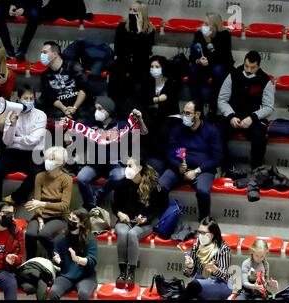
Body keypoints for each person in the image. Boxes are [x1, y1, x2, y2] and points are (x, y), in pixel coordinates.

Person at [76, 96, 148, 211]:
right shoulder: (91, 123)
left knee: (120, 175)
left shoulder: (120, 125)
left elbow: (142, 132)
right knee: (81, 178)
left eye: (100, 109)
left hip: (114, 164)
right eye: (96, 108)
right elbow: (79, 134)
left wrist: (139, 120)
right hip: (95, 164)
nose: (96, 112)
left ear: (108, 111)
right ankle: (90, 205)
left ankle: (98, 194)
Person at [158, 101, 222, 222]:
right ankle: (164, 220)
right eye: (183, 113)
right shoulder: (178, 130)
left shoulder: (211, 130)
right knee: (160, 185)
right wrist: (178, 166)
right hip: (180, 168)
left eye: (188, 113)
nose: (184, 116)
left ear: (197, 115)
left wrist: (196, 171)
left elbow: (217, 158)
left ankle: (204, 223)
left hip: (202, 169)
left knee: (203, 191)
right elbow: (170, 152)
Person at [0, 84, 46, 213]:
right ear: (19, 99)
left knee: (39, 173)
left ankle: (15, 198)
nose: (29, 101)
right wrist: (12, 125)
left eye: (32, 98)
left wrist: (17, 140)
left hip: (33, 153)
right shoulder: (11, 114)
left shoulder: (41, 115)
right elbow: (6, 141)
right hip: (12, 153)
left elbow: (34, 140)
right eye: (26, 98)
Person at [217, 50, 275, 174]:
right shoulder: (233, 74)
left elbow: (268, 107)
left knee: (260, 137)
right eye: (246, 66)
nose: (248, 70)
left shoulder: (265, 80)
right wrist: (231, 116)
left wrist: (252, 118)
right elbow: (222, 99)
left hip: (253, 119)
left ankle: (256, 170)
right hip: (233, 116)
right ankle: (226, 167)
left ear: (258, 66)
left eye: (252, 67)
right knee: (217, 132)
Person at [113, 158, 165, 290]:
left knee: (132, 234)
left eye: (130, 165)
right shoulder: (121, 184)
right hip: (125, 220)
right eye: (126, 165)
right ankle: (122, 272)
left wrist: (146, 218)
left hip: (144, 223)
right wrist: (119, 214)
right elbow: (115, 205)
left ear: (140, 168)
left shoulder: (152, 186)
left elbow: (157, 209)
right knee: (123, 232)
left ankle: (131, 273)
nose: (127, 168)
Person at [24, 146, 73, 260]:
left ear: (62, 164)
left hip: (59, 217)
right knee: (30, 234)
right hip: (40, 215)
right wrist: (40, 219)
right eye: (48, 158)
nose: (48, 162)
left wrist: (42, 204)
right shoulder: (40, 176)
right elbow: (36, 201)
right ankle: (29, 262)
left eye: (53, 159)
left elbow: (64, 206)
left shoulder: (66, 179)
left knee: (43, 235)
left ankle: (60, 258)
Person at [136, 55, 182, 175]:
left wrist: (153, 102)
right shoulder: (147, 81)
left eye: (157, 66)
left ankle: (161, 160)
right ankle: (145, 159)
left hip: (170, 116)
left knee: (163, 128)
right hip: (153, 115)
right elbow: (143, 100)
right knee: (143, 123)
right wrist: (158, 99)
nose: (153, 69)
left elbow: (169, 104)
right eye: (152, 66)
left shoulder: (172, 82)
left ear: (163, 68)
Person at [108, 0, 155, 112]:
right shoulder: (122, 27)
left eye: (135, 11)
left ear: (142, 13)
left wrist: (139, 31)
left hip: (139, 67)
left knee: (136, 89)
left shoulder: (150, 30)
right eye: (130, 9)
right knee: (117, 83)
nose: (131, 12)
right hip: (122, 65)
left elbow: (144, 53)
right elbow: (119, 49)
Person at [189, 13, 234, 116]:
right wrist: (198, 61)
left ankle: (212, 108)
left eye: (206, 24)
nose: (203, 26)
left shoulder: (225, 35)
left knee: (217, 70)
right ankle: (197, 107)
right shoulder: (198, 34)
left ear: (215, 26)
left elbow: (223, 58)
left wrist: (209, 43)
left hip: (219, 65)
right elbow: (192, 56)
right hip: (203, 65)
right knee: (192, 69)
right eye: (203, 23)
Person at [49, 208, 98, 300]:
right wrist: (58, 261)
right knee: (53, 292)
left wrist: (77, 259)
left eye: (74, 220)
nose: (70, 221)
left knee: (83, 294)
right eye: (70, 217)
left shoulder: (90, 239)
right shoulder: (61, 238)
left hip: (86, 277)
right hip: (66, 275)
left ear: (82, 223)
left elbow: (92, 261)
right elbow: (60, 262)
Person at [39, 41, 93, 124]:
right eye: (41, 53)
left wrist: (74, 108)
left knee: (82, 119)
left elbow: (84, 88)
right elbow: (50, 97)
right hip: (61, 110)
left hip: (78, 106)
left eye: (45, 52)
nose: (42, 55)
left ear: (55, 54)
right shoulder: (45, 75)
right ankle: (59, 136)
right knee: (57, 120)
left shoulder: (73, 66)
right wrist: (64, 109)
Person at [182, 217, 232, 300]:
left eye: (204, 233)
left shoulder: (224, 248)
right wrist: (190, 267)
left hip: (219, 284)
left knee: (193, 285)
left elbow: (225, 276)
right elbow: (189, 274)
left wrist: (215, 269)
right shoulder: (197, 244)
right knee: (193, 286)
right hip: (201, 282)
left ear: (213, 234)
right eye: (199, 232)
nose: (200, 235)